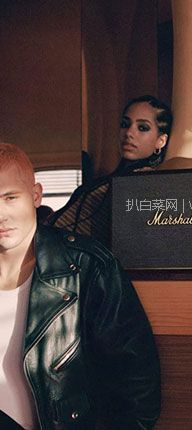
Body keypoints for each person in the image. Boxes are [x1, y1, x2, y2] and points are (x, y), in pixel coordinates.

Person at [0, 142, 161, 429]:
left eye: (10, 197)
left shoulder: (87, 266)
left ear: (36, 195)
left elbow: (136, 387)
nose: (0, 214)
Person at [48, 95, 172, 247]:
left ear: (161, 140)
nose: (129, 133)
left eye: (142, 128)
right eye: (125, 124)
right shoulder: (113, 180)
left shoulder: (145, 182)